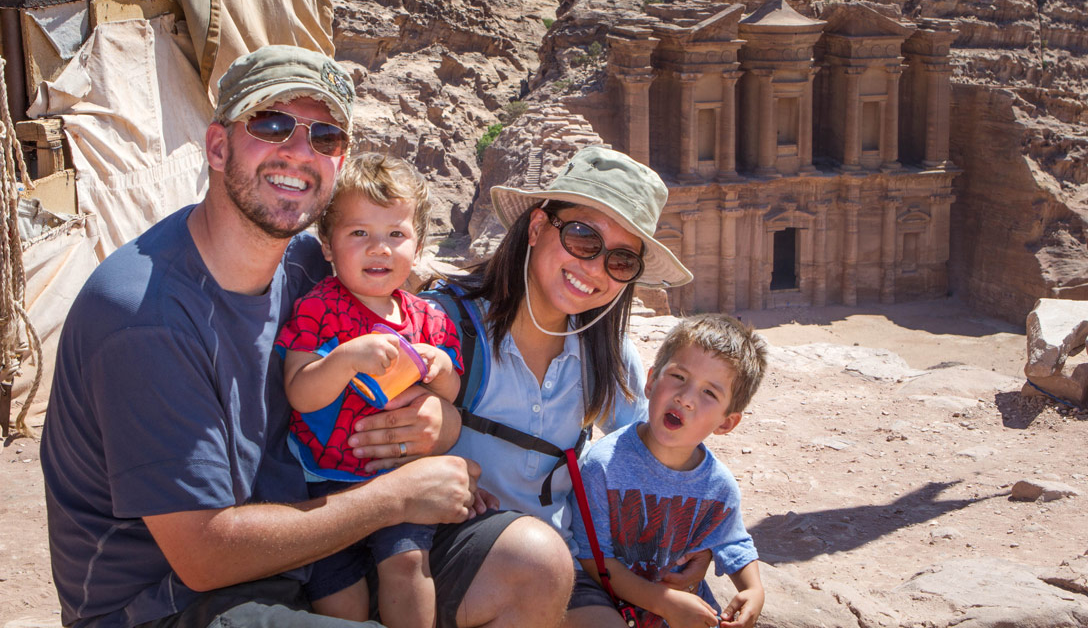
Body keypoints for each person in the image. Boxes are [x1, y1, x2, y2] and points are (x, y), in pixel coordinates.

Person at [40, 45, 573, 628]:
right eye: (271, 124)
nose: (298, 153)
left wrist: (433, 422)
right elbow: (203, 554)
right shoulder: (143, 315)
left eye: (325, 137)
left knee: (534, 564)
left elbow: (410, 352)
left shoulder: (310, 264)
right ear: (218, 146)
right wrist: (397, 496)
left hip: (307, 544)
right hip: (172, 604)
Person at [426, 145, 703, 628]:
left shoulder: (610, 360)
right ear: (537, 228)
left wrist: (701, 541)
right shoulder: (444, 327)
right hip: (448, 552)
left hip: (562, 561)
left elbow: (650, 460)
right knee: (533, 562)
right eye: (582, 237)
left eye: (620, 260)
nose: (594, 268)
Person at [278, 153, 464, 628]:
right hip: (324, 486)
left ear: (418, 244)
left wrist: (438, 366)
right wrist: (342, 360)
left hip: (400, 477)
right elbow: (300, 393)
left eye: (395, 235)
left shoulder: (430, 319)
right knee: (339, 594)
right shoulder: (317, 308)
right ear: (327, 245)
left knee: (407, 564)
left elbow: (452, 391)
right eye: (359, 233)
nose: (379, 248)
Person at [569, 314, 768, 628]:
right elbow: (593, 558)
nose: (685, 398)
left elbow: (733, 543)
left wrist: (753, 590)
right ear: (650, 381)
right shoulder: (604, 465)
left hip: (680, 611)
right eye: (678, 376)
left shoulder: (718, 486)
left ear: (727, 422)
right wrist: (663, 602)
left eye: (709, 394)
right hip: (607, 605)